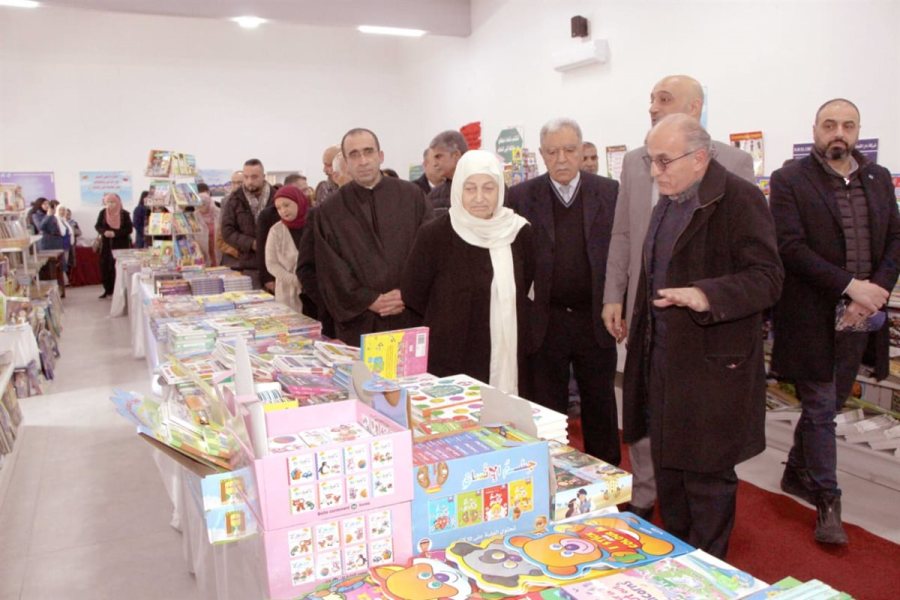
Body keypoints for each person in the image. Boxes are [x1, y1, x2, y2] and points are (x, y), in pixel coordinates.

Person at [622, 114, 783, 559]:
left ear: (698, 158)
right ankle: (678, 564)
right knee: (670, 475)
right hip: (662, 363)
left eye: (663, 161)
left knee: (707, 480)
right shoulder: (666, 204)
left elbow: (768, 279)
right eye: (651, 161)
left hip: (713, 370)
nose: (655, 172)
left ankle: (709, 571)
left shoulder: (740, 199)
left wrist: (705, 294)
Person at [602, 74, 755, 519]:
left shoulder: (734, 168)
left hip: (706, 326)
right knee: (646, 410)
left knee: (700, 437)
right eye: (651, 98)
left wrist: (707, 295)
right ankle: (646, 492)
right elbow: (623, 234)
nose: (652, 106)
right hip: (648, 314)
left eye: (664, 99)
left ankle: (699, 523)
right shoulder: (637, 165)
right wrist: (615, 294)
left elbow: (756, 264)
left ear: (694, 108)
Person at [770, 98, 900, 545]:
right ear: (815, 130)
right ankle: (828, 500)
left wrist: (874, 291)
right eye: (829, 125)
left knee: (828, 404)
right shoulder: (789, 179)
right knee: (822, 408)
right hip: (811, 315)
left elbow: (896, 239)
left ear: (858, 131)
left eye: (847, 125)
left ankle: (794, 471)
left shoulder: (877, 178)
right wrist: (850, 286)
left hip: (862, 316)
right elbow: (789, 246)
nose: (838, 132)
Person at [507, 118, 620, 465]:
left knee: (601, 405)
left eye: (569, 150)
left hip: (595, 318)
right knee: (548, 411)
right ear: (542, 154)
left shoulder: (609, 192)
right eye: (552, 152)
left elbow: (622, 253)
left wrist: (619, 301)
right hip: (546, 320)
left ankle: (608, 481)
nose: (561, 159)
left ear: (582, 150)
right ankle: (551, 475)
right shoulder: (521, 196)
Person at [402, 150, 534, 393]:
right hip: (451, 355)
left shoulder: (518, 232)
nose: (479, 197)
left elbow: (525, 285)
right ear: (457, 189)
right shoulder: (434, 235)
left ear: (500, 191)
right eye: (470, 188)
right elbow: (413, 293)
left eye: (488, 188)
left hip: (506, 352)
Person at [313, 127, 432, 345]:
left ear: (381, 156)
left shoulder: (412, 196)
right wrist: (369, 300)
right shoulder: (329, 211)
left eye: (368, 151)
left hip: (410, 313)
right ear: (346, 162)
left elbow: (430, 252)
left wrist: (406, 292)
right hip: (360, 321)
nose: (363, 161)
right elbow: (330, 269)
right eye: (354, 155)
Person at [220, 158, 275, 287]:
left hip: (275, 264)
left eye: (254, 177)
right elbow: (227, 231)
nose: (250, 181)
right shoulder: (234, 199)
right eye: (246, 177)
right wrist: (251, 243)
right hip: (249, 265)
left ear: (263, 177)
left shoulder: (276, 197)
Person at [265, 185, 310, 314]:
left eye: (286, 205)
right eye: (278, 208)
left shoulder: (314, 224)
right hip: (288, 291)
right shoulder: (276, 231)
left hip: (315, 291)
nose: (283, 211)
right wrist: (294, 280)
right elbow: (271, 264)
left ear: (298, 201)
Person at [95, 193, 133, 299]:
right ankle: (108, 290)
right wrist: (104, 232)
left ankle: (120, 291)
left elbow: (129, 229)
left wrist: (115, 233)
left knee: (118, 267)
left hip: (120, 245)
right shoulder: (103, 213)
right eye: (108, 202)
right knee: (105, 266)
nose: (110, 204)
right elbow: (97, 226)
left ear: (117, 202)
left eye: (113, 202)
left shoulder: (124, 214)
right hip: (106, 245)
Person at [426, 130, 469, 214]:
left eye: (438, 157)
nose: (434, 164)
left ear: (456, 155)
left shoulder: (487, 187)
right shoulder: (433, 196)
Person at [38, 200, 73, 273]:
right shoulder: (51, 218)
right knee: (59, 267)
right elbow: (41, 227)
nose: (62, 212)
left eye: (63, 210)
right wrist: (48, 215)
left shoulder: (64, 220)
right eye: (60, 209)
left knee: (63, 266)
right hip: (54, 246)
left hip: (65, 245)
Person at [195, 183, 218, 266]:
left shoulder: (219, 213)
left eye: (204, 204)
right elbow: (190, 237)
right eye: (199, 204)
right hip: (201, 254)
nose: (201, 207)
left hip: (219, 252)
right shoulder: (194, 216)